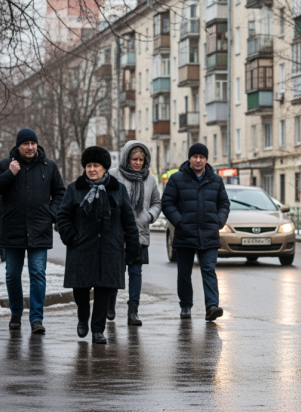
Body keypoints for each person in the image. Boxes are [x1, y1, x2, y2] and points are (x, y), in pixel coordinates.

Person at [58, 146, 141, 344]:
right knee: (81, 289)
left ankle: (98, 330)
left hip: (109, 248)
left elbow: (129, 221)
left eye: (96, 165)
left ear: (105, 168)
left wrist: (132, 247)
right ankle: (82, 318)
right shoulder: (74, 189)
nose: (92, 169)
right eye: (88, 166)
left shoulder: (118, 190)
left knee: (104, 290)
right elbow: (62, 216)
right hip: (81, 248)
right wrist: (71, 236)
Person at [0, 128, 65, 334]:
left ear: (37, 144)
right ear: (18, 146)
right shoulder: (6, 165)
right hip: (13, 230)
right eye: (26, 144)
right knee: (12, 275)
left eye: (33, 143)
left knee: (38, 273)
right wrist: (10, 174)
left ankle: (36, 318)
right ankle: (15, 313)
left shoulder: (49, 167)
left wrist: (51, 214)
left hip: (40, 229)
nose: (30, 147)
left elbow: (60, 193)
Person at [161, 143, 229, 321]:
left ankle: (212, 306)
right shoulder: (177, 179)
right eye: (195, 157)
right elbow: (167, 203)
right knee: (184, 273)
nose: (198, 160)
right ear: (189, 158)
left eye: (201, 157)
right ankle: (185, 305)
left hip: (209, 233)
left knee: (208, 269)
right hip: (185, 233)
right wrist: (179, 221)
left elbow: (224, 204)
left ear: (206, 159)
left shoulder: (216, 180)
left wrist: (219, 221)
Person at [110, 141, 162, 326]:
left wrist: (149, 215)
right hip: (116, 232)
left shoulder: (149, 179)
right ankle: (110, 305)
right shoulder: (113, 175)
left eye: (141, 159)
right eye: (134, 159)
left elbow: (157, 202)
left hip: (139, 232)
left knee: (135, 272)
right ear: (127, 158)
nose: (138, 163)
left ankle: (133, 311)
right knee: (115, 271)